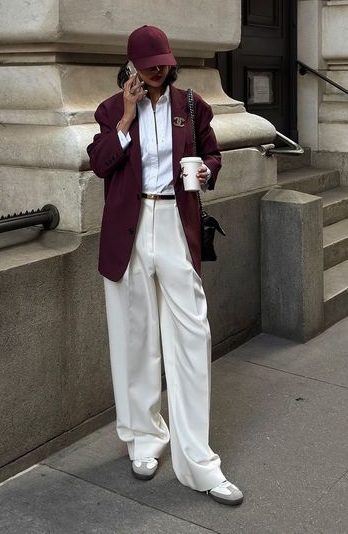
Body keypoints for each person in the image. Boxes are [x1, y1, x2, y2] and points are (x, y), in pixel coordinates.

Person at [87, 25, 243, 506]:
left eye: (164, 62)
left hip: (175, 222)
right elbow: (100, 163)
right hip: (130, 230)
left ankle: (199, 461)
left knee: (192, 335)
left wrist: (205, 170)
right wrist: (128, 117)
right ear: (132, 65)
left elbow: (213, 154)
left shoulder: (191, 106)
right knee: (134, 337)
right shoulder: (113, 110)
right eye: (149, 63)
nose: (159, 69)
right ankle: (143, 438)